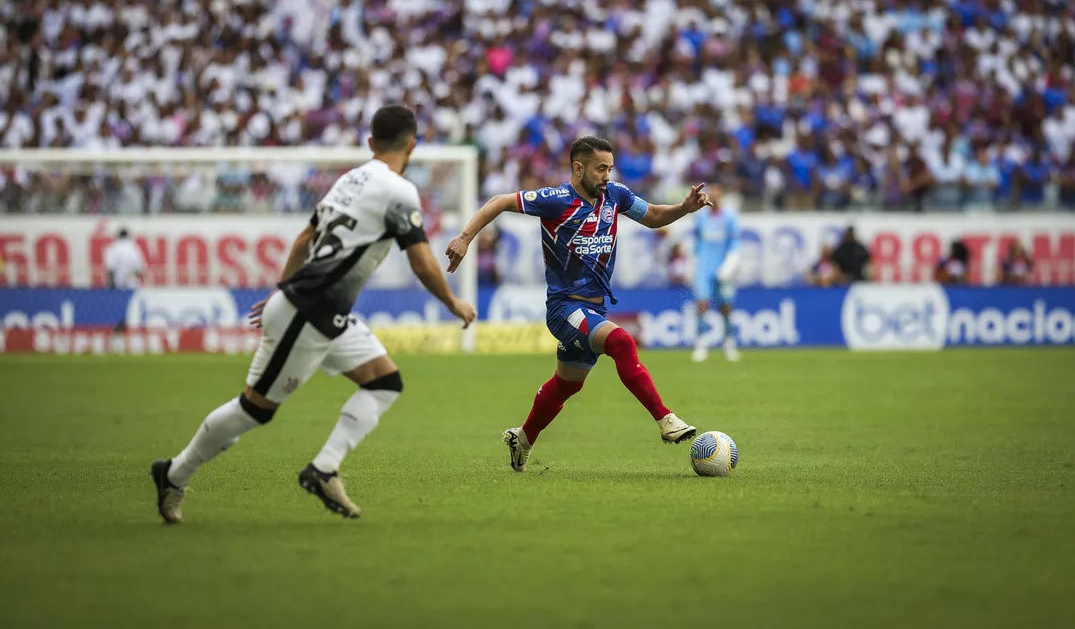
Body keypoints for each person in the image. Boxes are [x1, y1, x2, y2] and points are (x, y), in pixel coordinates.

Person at [150, 105, 476, 523]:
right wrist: (453, 303)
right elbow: (421, 261)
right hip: (308, 309)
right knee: (255, 409)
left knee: (384, 382)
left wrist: (280, 289)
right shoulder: (399, 191)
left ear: (371, 142)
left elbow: (305, 238)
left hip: (319, 309)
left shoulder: (349, 180)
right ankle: (174, 474)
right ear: (412, 145)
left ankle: (324, 469)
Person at [445, 136, 705, 472]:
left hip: (593, 309)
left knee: (567, 385)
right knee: (621, 341)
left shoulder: (616, 195)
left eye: (609, 168)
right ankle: (666, 420)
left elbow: (653, 215)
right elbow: (499, 200)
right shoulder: (556, 200)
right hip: (564, 308)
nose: (606, 176)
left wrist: (684, 208)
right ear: (578, 168)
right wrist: (465, 238)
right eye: (600, 169)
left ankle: (522, 439)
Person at [690, 184, 741, 363]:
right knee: (702, 304)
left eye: (718, 196)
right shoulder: (701, 218)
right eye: (712, 196)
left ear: (722, 198)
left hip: (723, 268)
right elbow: (697, 242)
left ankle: (728, 341)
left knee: (725, 306)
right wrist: (694, 263)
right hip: (704, 268)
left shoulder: (730, 217)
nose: (714, 199)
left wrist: (729, 266)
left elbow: (734, 244)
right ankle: (701, 343)